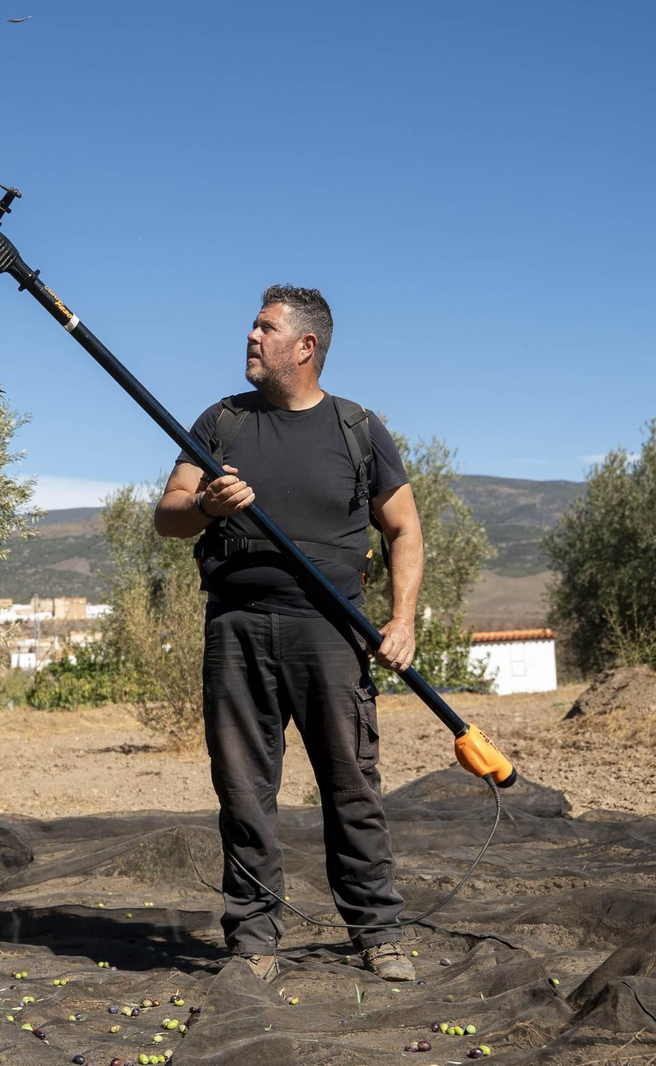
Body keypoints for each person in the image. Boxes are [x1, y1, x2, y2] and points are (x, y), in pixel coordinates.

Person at [153, 284, 421, 983]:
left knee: (352, 788)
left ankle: (378, 932)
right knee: (243, 792)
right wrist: (208, 505)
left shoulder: (357, 428)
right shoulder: (222, 422)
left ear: (305, 346)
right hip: (237, 631)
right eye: (252, 324)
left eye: (265, 327)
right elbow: (168, 514)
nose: (250, 335)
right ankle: (253, 942)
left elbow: (404, 529)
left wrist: (403, 620)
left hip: (332, 633)